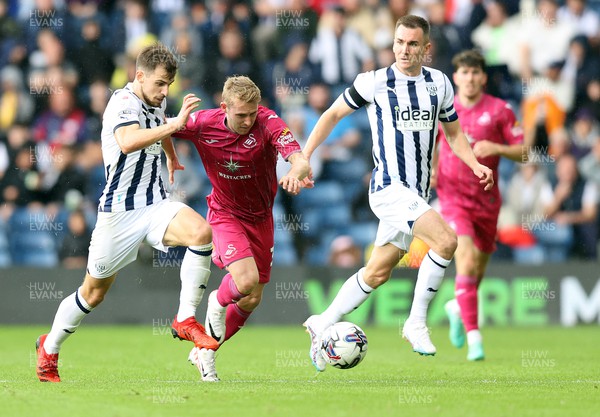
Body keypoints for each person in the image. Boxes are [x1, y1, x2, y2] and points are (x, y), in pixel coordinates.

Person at [301, 15, 494, 372]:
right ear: (393, 43)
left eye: (412, 44)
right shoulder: (373, 82)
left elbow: (453, 134)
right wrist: (305, 155)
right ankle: (416, 321)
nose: (404, 50)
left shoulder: (439, 84)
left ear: (426, 49)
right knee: (447, 241)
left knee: (377, 272)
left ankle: (322, 320)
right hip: (388, 189)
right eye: (399, 42)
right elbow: (331, 115)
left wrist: (474, 164)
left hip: (416, 194)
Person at [35, 43, 219, 383]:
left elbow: (160, 121)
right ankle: (50, 346)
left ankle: (184, 319)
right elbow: (128, 141)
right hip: (118, 214)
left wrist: (170, 154)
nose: (165, 92)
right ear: (139, 76)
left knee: (201, 233)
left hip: (154, 204)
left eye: (168, 86)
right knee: (93, 293)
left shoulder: (157, 99)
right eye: (160, 84)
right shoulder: (121, 102)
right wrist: (177, 126)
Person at [172, 76, 310, 381]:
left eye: (252, 112)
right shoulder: (202, 124)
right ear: (224, 108)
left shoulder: (269, 121)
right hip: (225, 214)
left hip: (261, 218)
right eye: (240, 115)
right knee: (245, 281)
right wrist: (170, 155)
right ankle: (216, 301)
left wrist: (297, 172)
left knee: (252, 297)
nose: (248, 120)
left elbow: (299, 159)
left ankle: (205, 352)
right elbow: (163, 129)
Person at [436, 50, 526, 361]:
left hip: (487, 201)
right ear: (456, 77)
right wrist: (433, 171)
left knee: (477, 272)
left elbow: (524, 152)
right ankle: (475, 338)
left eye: (475, 73)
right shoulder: (444, 109)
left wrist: (497, 147)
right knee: (467, 262)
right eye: (464, 72)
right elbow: (434, 144)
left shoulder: (500, 110)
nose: (470, 78)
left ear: (483, 77)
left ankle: (457, 306)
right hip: (452, 198)